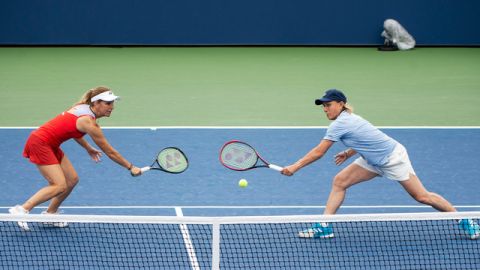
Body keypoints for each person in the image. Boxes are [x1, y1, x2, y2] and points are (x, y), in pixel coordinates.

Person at [281, 89, 480, 240]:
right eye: (323, 106)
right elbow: (367, 138)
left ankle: (465, 220)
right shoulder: (348, 118)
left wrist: (295, 167)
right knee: (340, 181)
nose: (325, 109)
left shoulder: (341, 123)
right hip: (372, 159)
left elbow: (319, 152)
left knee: (422, 196)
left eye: (329, 105)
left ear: (341, 104)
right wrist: (349, 152)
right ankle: (325, 226)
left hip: (392, 159)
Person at [9, 86, 142, 230]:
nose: (112, 107)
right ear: (96, 103)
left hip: (51, 144)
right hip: (40, 143)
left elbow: (72, 129)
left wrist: (88, 148)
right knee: (59, 185)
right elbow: (110, 152)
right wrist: (131, 167)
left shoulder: (82, 107)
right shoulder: (89, 123)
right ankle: (21, 210)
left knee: (72, 179)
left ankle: (50, 214)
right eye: (108, 103)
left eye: (112, 103)